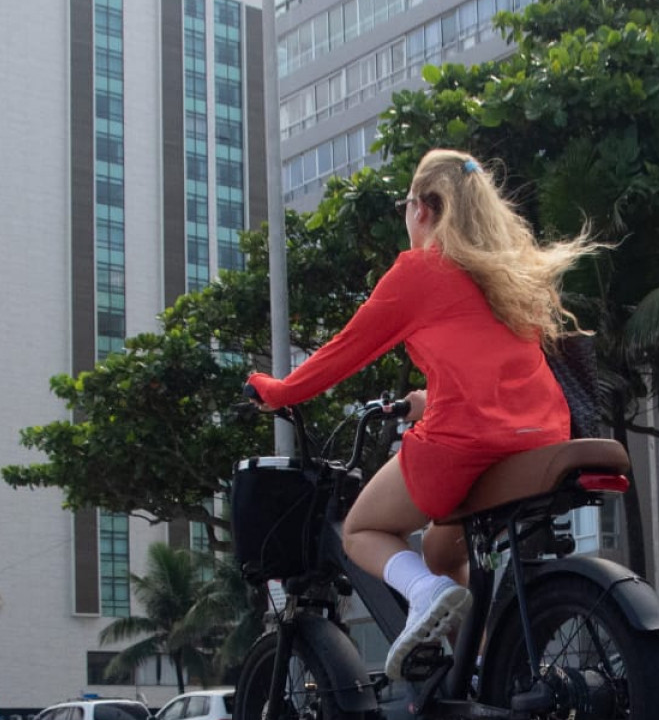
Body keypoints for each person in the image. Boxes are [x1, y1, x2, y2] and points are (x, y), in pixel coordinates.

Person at [247, 149, 603, 680]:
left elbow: (344, 351)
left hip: (466, 447)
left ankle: (424, 592)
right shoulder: (509, 275)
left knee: (361, 530)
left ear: (423, 210)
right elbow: (497, 375)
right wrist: (428, 399)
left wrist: (278, 392)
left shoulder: (420, 271)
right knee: (441, 547)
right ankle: (484, 674)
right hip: (538, 439)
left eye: (405, 205)